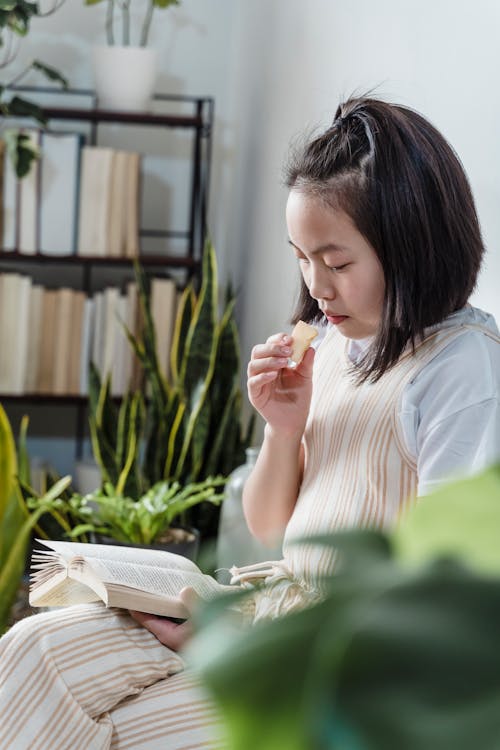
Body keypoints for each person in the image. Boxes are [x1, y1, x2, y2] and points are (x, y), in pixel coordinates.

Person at [1, 95, 499, 748]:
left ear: (414, 246)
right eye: (301, 256)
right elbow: (270, 528)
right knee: (33, 646)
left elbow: (446, 600)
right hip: (265, 611)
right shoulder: (326, 343)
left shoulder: (462, 370)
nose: (317, 285)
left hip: (334, 664)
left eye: (338, 262)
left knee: (116, 731)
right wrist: (281, 426)